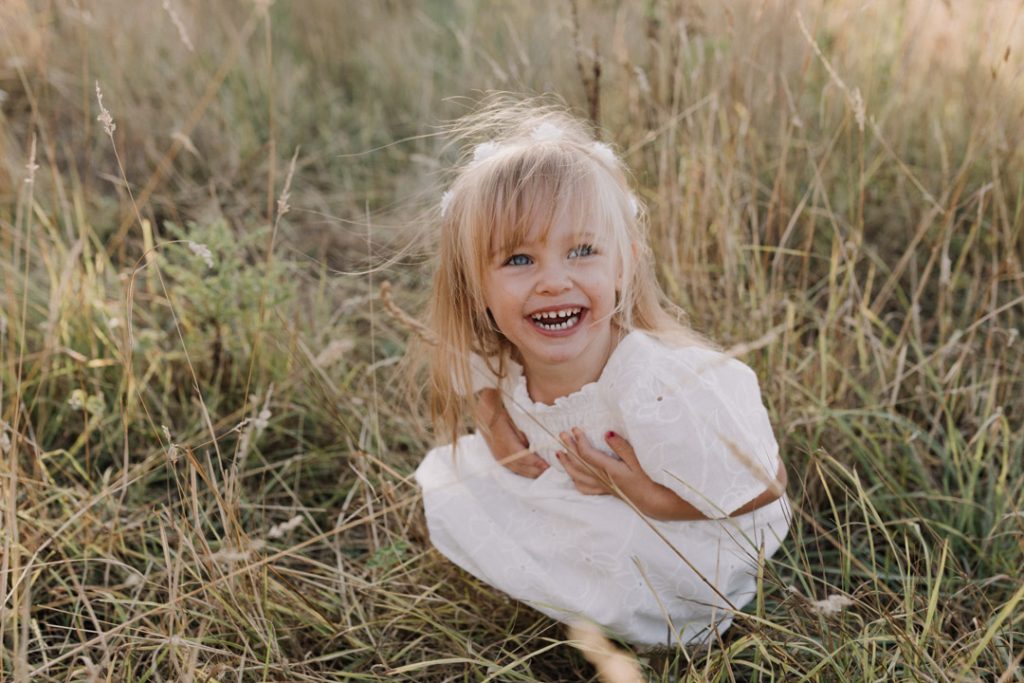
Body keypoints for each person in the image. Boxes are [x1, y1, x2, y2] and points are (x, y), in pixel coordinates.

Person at [414, 99, 791, 648]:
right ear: (476, 289)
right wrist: (494, 423)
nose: (552, 282)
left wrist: (641, 493)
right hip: (583, 495)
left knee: (625, 569)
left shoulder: (651, 382)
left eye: (582, 251)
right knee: (462, 485)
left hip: (678, 522)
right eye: (519, 260)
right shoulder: (499, 345)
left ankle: (657, 619)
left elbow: (765, 484)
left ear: (624, 264)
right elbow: (469, 367)